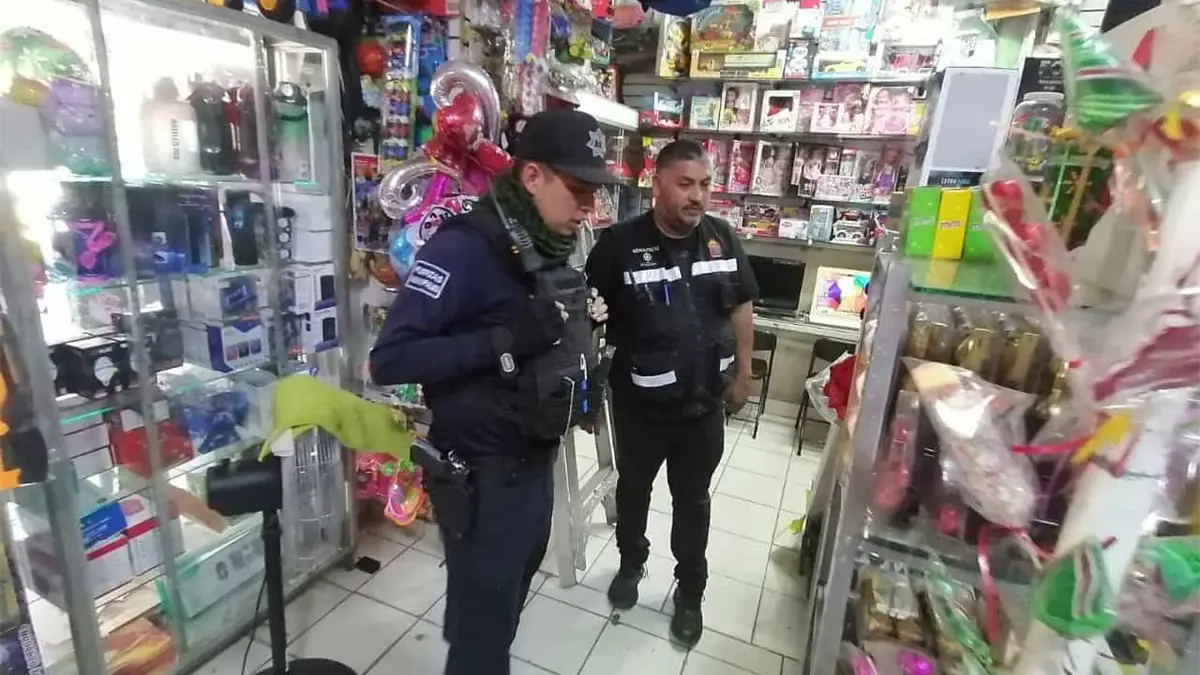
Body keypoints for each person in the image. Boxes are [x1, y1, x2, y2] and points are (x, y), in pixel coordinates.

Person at [369, 109, 619, 675]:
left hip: (534, 464)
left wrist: (581, 333)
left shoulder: (547, 245)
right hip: (482, 475)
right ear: (532, 176)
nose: (589, 207)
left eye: (594, 192)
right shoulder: (463, 247)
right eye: (578, 190)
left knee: (498, 608)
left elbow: (542, 339)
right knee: (484, 636)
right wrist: (503, 340)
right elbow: (390, 360)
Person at [584, 139, 758, 646]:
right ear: (656, 184)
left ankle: (690, 592)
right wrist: (587, 391)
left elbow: (741, 306)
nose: (697, 196)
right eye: (685, 184)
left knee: (693, 501)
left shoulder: (722, 238)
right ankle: (630, 564)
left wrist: (744, 372)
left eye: (704, 185)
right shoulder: (617, 245)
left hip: (704, 405)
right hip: (640, 406)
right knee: (633, 490)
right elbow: (588, 318)